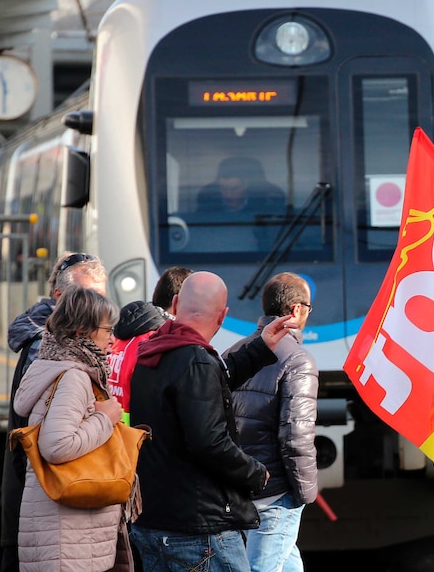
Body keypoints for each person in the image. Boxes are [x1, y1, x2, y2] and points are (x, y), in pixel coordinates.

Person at [128, 271, 296, 572]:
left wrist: (260, 348)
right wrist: (254, 472)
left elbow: (211, 382)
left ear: (176, 303)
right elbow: (209, 441)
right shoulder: (195, 361)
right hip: (198, 529)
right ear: (223, 316)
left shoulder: (152, 354)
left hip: (153, 522)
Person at [0, 252, 107, 572]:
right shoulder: (66, 364)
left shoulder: (49, 350)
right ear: (60, 297)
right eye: (86, 297)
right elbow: (56, 443)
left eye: (99, 297)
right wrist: (106, 417)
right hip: (60, 506)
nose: (96, 306)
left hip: (42, 506)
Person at [13, 285, 126, 571]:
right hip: (69, 536)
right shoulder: (74, 376)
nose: (112, 339)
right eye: (107, 329)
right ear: (80, 331)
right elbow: (57, 446)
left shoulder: (50, 365)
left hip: (61, 531)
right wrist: (106, 418)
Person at [228, 272, 318, 572]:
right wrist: (305, 492)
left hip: (243, 487)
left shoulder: (233, 352)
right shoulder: (298, 361)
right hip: (276, 495)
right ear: (296, 310)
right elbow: (296, 436)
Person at [107, 266, 192, 424]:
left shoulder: (124, 335)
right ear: (177, 303)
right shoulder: (160, 343)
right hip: (139, 439)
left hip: (115, 435)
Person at [197, 156, 285, 215]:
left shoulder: (266, 205)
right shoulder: (207, 206)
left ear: (245, 185)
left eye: (234, 189)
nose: (228, 195)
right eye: (223, 188)